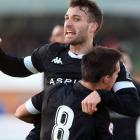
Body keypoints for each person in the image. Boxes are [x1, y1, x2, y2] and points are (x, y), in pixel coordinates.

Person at [0, 0, 139, 139]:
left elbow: (133, 106)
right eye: (67, 18)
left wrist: (102, 95)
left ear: (93, 26)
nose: (68, 23)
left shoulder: (107, 62)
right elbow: (15, 67)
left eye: (76, 19)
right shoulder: (50, 53)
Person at [15, 46, 122, 140]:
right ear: (106, 78)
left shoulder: (52, 91)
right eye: (117, 74)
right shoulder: (99, 111)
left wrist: (49, 120)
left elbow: (19, 113)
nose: (117, 77)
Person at [110, 44, 140, 140]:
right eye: (117, 63)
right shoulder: (98, 91)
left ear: (130, 65)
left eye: (124, 62)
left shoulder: (138, 90)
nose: (121, 67)